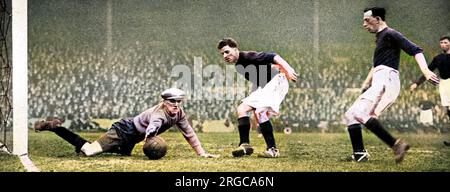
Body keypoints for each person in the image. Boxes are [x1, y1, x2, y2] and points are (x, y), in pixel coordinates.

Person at [343, 7, 440, 163]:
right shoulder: (381, 37)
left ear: (378, 19)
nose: (364, 24)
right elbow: (376, 66)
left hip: (386, 80)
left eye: (367, 20)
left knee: (359, 114)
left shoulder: (390, 33)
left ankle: (396, 145)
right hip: (380, 80)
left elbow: (416, 50)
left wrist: (426, 72)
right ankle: (359, 154)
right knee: (350, 115)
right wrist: (366, 83)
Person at [34, 88, 219, 158]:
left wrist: (201, 153)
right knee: (89, 151)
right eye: (173, 102)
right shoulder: (159, 115)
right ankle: (55, 127)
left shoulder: (179, 113)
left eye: (179, 102)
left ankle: (96, 146)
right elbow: (152, 130)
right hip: (124, 130)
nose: (176, 106)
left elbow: (189, 133)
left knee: (123, 155)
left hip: (133, 137)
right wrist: (150, 142)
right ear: (164, 102)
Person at [217, 38, 298, 158]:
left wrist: (289, 69)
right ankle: (245, 145)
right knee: (242, 109)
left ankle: (273, 150)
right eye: (222, 54)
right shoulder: (239, 66)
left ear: (235, 49)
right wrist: (252, 96)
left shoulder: (248, 56)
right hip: (266, 85)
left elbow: (274, 56)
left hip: (277, 80)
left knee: (260, 111)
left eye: (227, 52)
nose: (225, 56)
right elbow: (257, 81)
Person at [410, 36, 450, 146]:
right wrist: (416, 83)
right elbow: (427, 72)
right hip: (444, 84)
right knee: (448, 110)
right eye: (441, 42)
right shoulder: (438, 58)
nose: (443, 44)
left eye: (445, 42)